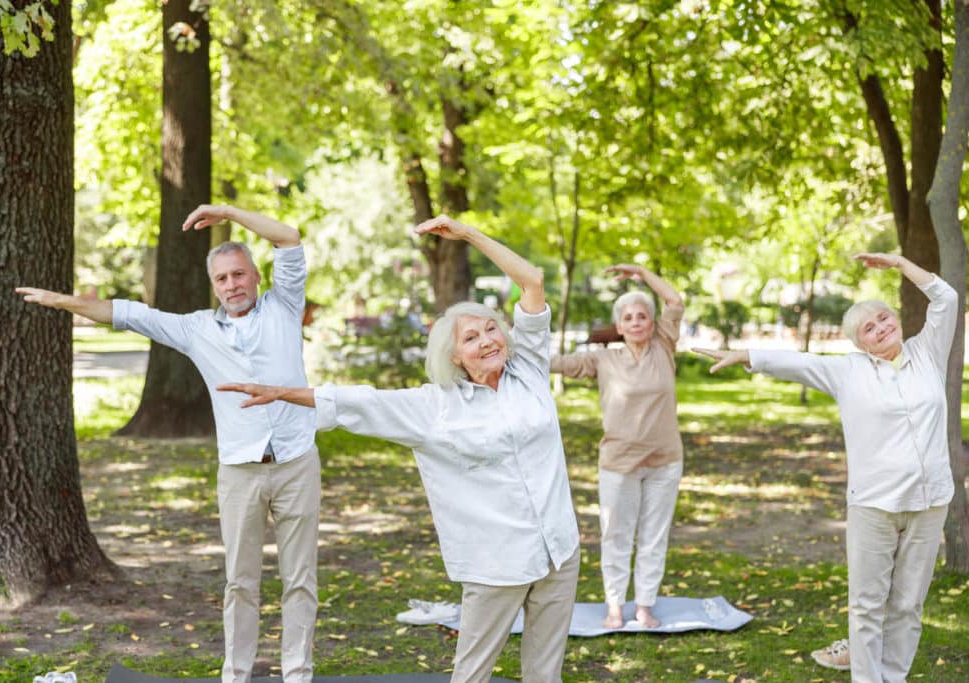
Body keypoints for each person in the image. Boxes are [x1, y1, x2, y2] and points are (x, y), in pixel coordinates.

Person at [219, 214, 580, 683]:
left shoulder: (528, 369)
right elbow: (358, 402)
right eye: (471, 338)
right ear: (454, 357)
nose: (487, 340)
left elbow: (531, 281)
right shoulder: (434, 408)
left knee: (545, 675)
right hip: (497, 563)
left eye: (491, 329)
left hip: (559, 548)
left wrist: (468, 234)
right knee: (472, 675)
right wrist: (282, 392)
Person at [16, 205, 320, 683]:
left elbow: (289, 236)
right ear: (213, 285)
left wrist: (228, 213)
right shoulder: (197, 329)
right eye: (221, 278)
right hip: (240, 471)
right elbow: (127, 314)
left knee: (300, 580)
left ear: (256, 276)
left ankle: (297, 674)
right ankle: (237, 675)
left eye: (239, 274)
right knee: (241, 583)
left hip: (297, 462)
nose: (232, 284)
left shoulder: (283, 305)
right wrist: (61, 301)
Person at [695, 252, 957, 683]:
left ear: (896, 319)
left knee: (908, 604)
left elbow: (944, 297)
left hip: (930, 503)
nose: (880, 328)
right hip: (875, 505)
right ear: (859, 343)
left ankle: (893, 676)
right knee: (868, 604)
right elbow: (796, 364)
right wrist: (741, 354)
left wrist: (898, 263)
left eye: (883, 318)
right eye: (868, 329)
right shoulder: (847, 372)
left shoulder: (927, 350)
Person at [550, 264, 684, 629]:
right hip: (618, 461)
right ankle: (614, 606)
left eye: (643, 316)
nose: (637, 321)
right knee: (616, 535)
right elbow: (562, 364)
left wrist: (641, 273)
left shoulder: (664, 347)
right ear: (620, 326)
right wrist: (512, 354)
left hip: (665, 460)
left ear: (653, 324)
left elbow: (673, 299)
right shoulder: (604, 359)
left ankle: (644, 605)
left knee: (654, 536)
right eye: (629, 317)